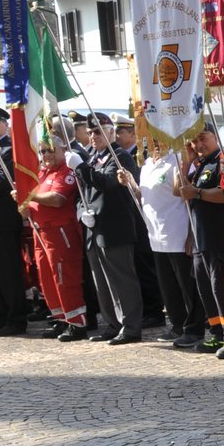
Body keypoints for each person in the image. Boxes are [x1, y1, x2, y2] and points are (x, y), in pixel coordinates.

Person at [123, 139, 205, 348]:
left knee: (187, 287)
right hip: (156, 235)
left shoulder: (177, 160)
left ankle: (195, 327)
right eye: (152, 141)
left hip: (178, 232)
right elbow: (145, 195)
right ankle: (178, 325)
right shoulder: (148, 164)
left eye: (159, 140)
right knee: (169, 287)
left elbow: (188, 199)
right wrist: (131, 182)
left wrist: (191, 235)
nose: (156, 145)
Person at [176, 123, 224, 359]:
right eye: (194, 141)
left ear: (215, 137)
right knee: (206, 289)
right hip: (200, 238)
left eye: (203, 138)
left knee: (222, 289)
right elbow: (178, 190)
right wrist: (186, 160)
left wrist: (198, 193)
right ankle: (216, 332)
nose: (198, 144)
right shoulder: (199, 163)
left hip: (220, 237)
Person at [74, 119, 144, 344]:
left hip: (114, 227)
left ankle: (131, 327)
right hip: (95, 228)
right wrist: (82, 213)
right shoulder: (93, 158)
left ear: (111, 132)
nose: (93, 136)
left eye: (98, 132)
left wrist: (81, 168)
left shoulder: (119, 156)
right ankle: (113, 323)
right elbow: (81, 194)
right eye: (90, 133)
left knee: (121, 280)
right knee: (101, 282)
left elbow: (107, 183)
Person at [22, 138, 89, 340]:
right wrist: (23, 200)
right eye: (42, 151)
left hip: (60, 232)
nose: (46, 155)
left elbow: (57, 199)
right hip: (40, 232)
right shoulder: (42, 173)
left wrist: (30, 195)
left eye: (51, 150)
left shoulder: (66, 171)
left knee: (64, 277)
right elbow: (28, 209)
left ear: (63, 150)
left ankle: (77, 323)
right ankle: (61, 319)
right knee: (47, 279)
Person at [0, 108, 29, 335]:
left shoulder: (10, 149)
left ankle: (16, 318)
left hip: (5, 221)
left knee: (9, 272)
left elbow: (4, 181)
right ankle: (1, 315)